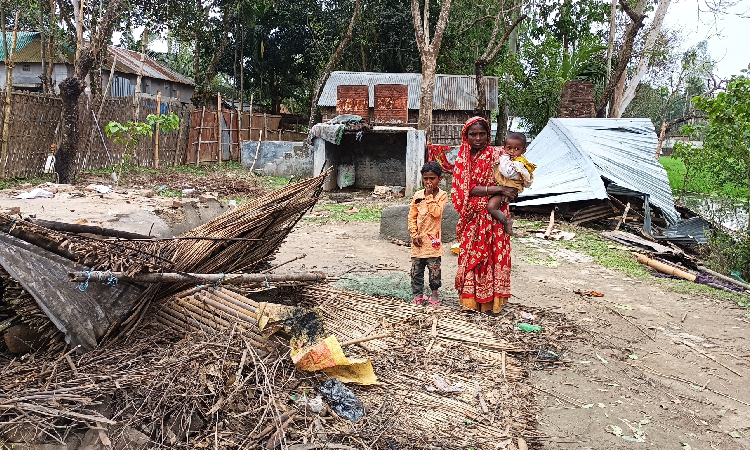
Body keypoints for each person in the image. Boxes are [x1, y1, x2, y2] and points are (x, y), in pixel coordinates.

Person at [451, 117, 519, 314]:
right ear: (466, 136)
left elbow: (514, 176)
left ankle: (492, 305)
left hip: (496, 217)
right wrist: (499, 189)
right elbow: (465, 189)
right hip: (473, 216)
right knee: (472, 257)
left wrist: (511, 190)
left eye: (482, 134)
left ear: (488, 135)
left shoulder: (498, 156)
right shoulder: (462, 160)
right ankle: (470, 303)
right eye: (473, 134)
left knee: (494, 257)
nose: (478, 138)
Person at [408, 161, 448, 306]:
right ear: (422, 178)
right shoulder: (418, 195)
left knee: (434, 270)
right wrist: (414, 235)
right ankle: (418, 296)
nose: (429, 182)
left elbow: (436, 213)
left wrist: (430, 196)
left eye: (432, 178)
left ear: (440, 179)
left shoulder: (442, 195)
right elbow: (412, 216)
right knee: (416, 270)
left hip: (433, 242)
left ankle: (434, 294)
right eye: (426, 179)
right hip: (418, 242)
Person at [487, 132, 536, 235]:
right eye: (509, 148)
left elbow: (507, 173)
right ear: (504, 147)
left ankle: (506, 221)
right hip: (504, 187)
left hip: (508, 188)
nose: (512, 151)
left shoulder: (519, 163)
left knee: (491, 207)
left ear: (523, 150)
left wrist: (504, 158)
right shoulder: (514, 159)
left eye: (517, 149)